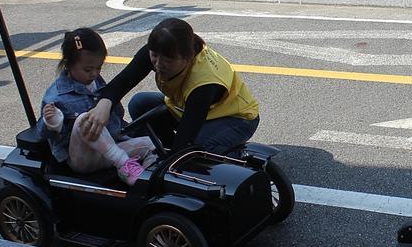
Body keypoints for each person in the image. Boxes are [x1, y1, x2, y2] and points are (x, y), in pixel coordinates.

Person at [81, 18, 259, 154]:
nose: (159, 64)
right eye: (154, 55)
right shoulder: (160, 50)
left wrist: (176, 156)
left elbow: (186, 135)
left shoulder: (204, 82)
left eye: (168, 60)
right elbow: (124, 81)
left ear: (187, 58)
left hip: (235, 118)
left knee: (195, 150)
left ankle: (238, 159)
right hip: (188, 109)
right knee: (139, 103)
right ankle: (166, 151)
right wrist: (103, 105)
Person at [36, 29, 154, 185]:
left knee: (153, 146)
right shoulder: (57, 96)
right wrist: (53, 123)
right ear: (68, 64)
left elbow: (117, 116)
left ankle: (143, 179)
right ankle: (124, 164)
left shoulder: (95, 81)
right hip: (82, 158)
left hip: (111, 148)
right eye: (88, 70)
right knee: (87, 119)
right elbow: (42, 133)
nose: (94, 74)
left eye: (99, 68)